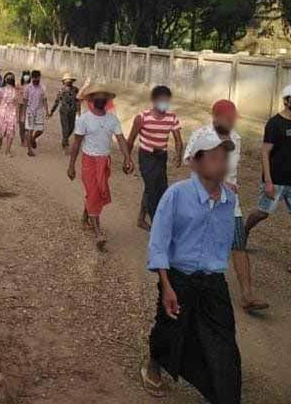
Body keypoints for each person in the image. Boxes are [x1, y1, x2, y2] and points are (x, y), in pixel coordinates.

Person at [142, 133, 240, 402]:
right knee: (170, 328)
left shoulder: (229, 200)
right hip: (178, 278)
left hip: (213, 280)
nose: (221, 163)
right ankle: (155, 362)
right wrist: (166, 286)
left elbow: (224, 242)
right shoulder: (177, 194)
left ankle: (222, 394)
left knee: (223, 341)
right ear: (196, 162)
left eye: (224, 157)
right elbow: (159, 243)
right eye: (213, 157)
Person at [184, 100, 268, 312]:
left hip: (230, 203)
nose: (232, 123)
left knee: (238, 245)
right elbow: (192, 164)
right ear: (215, 117)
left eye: (233, 119)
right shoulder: (200, 136)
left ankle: (247, 294)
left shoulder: (236, 139)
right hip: (203, 200)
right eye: (228, 118)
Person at [244, 83, 291, 273]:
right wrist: (268, 181)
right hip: (276, 179)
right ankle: (245, 230)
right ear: (286, 100)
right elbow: (265, 153)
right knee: (263, 213)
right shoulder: (274, 124)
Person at [66, 83, 134, 250]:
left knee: (95, 192)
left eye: (103, 97)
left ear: (106, 101)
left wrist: (128, 158)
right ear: (92, 100)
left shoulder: (112, 119)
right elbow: (76, 144)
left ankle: (85, 218)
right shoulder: (83, 120)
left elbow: (121, 139)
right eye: (97, 97)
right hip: (89, 161)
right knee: (95, 192)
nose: (100, 99)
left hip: (104, 162)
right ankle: (98, 233)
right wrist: (71, 166)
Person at [127, 85, 184, 230]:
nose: (164, 103)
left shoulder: (172, 118)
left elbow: (178, 139)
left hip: (161, 158)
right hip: (146, 157)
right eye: (161, 100)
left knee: (161, 189)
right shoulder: (142, 117)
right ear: (154, 101)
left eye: (167, 100)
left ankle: (141, 219)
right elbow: (131, 139)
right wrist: (127, 159)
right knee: (153, 190)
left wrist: (178, 155)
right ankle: (158, 225)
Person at [49, 73, 80, 153]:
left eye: (69, 80)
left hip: (72, 111)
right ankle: (66, 145)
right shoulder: (61, 91)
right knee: (65, 128)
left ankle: (64, 140)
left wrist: (78, 111)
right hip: (64, 112)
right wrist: (51, 111)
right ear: (64, 81)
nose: (68, 81)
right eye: (67, 80)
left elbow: (78, 101)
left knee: (71, 128)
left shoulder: (76, 90)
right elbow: (57, 102)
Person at [22, 70, 48, 157]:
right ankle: (29, 150)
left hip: (39, 111)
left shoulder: (43, 87)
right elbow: (25, 100)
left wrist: (47, 111)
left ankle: (33, 138)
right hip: (30, 111)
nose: (36, 79)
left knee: (40, 130)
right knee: (30, 130)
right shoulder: (27, 88)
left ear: (40, 77)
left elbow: (44, 100)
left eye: (38, 78)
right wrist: (23, 113)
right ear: (32, 78)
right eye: (35, 78)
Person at [0, 72, 20, 156]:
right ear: (5, 79)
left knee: (11, 133)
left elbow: (17, 105)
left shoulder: (16, 91)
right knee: (1, 132)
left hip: (12, 114)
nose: (9, 78)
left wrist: (17, 117)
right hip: (2, 113)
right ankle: (0, 141)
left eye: (11, 77)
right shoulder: (0, 90)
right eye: (8, 77)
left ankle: (8, 151)